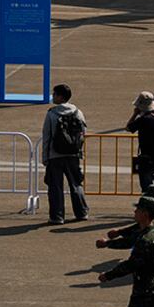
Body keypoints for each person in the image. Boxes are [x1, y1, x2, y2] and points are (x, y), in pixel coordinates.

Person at [40, 84, 88, 225]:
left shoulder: (52, 114)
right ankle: (82, 212)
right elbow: (82, 134)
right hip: (73, 155)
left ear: (60, 97)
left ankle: (57, 216)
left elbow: (46, 136)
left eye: (54, 94)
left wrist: (45, 157)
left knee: (55, 187)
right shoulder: (78, 112)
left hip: (55, 155)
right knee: (76, 184)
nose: (53, 96)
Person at [125, 92, 154, 192]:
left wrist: (135, 114)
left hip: (147, 158)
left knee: (146, 187)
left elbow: (128, 127)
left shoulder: (143, 120)